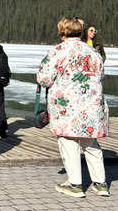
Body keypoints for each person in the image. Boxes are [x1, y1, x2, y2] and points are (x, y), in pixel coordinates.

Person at [37, 17, 109, 198]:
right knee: (91, 142)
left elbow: (44, 78)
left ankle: (75, 184)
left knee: (68, 142)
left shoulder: (57, 51)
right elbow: (101, 75)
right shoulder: (93, 52)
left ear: (62, 32)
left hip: (67, 106)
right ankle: (100, 184)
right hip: (92, 104)